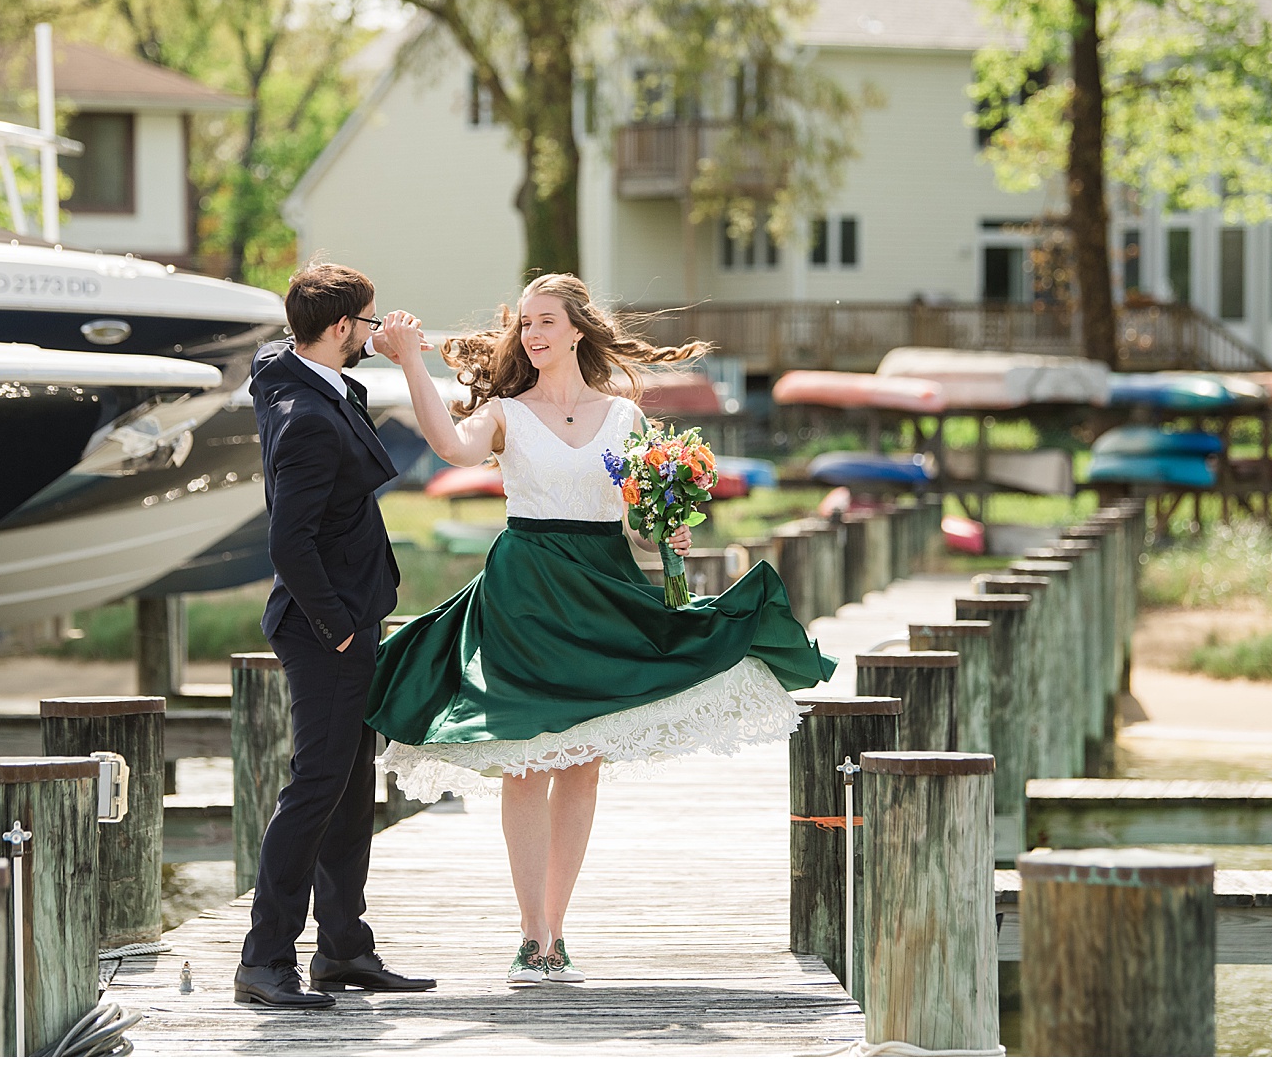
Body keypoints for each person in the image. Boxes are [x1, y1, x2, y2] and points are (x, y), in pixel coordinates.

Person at [369, 274, 835, 986]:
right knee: (525, 763)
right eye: (524, 323)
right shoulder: (503, 412)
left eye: (546, 321)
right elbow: (451, 447)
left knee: (580, 765)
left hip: (603, 584)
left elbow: (640, 520)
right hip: (526, 591)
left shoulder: (623, 418)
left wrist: (666, 534)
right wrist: (409, 361)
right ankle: (531, 938)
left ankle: (558, 930)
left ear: (578, 329)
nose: (532, 334)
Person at [233, 263, 436, 1009]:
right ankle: (264, 960)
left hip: (347, 618)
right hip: (327, 628)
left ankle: (343, 949)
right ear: (343, 328)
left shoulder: (287, 374)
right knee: (315, 789)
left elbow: (272, 356)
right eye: (368, 321)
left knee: (351, 792)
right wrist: (342, 630)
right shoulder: (307, 417)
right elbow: (290, 543)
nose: (375, 332)